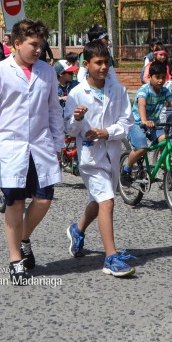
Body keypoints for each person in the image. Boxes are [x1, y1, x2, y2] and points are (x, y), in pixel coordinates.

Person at [0, 19, 64, 286]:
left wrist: (58, 143)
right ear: (16, 44)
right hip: (9, 147)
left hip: (41, 144)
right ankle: (15, 259)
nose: (38, 50)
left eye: (41, 45)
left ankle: (23, 237)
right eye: (33, 45)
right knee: (15, 202)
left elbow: (54, 109)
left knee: (44, 200)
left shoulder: (47, 72)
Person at [63, 40, 137, 276]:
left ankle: (77, 228)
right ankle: (111, 257)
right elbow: (69, 130)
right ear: (86, 64)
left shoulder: (118, 90)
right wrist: (76, 118)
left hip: (112, 153)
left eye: (107, 62)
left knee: (100, 199)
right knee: (107, 201)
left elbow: (127, 122)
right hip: (90, 157)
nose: (104, 67)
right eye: (98, 63)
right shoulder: (76, 93)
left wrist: (108, 132)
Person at [121, 61, 172, 185]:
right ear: (150, 77)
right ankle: (126, 169)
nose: (160, 81)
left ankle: (166, 170)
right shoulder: (144, 90)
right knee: (142, 149)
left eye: (162, 77)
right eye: (157, 77)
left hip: (154, 124)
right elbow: (142, 105)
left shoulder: (164, 90)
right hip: (137, 123)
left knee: (166, 141)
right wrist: (144, 120)